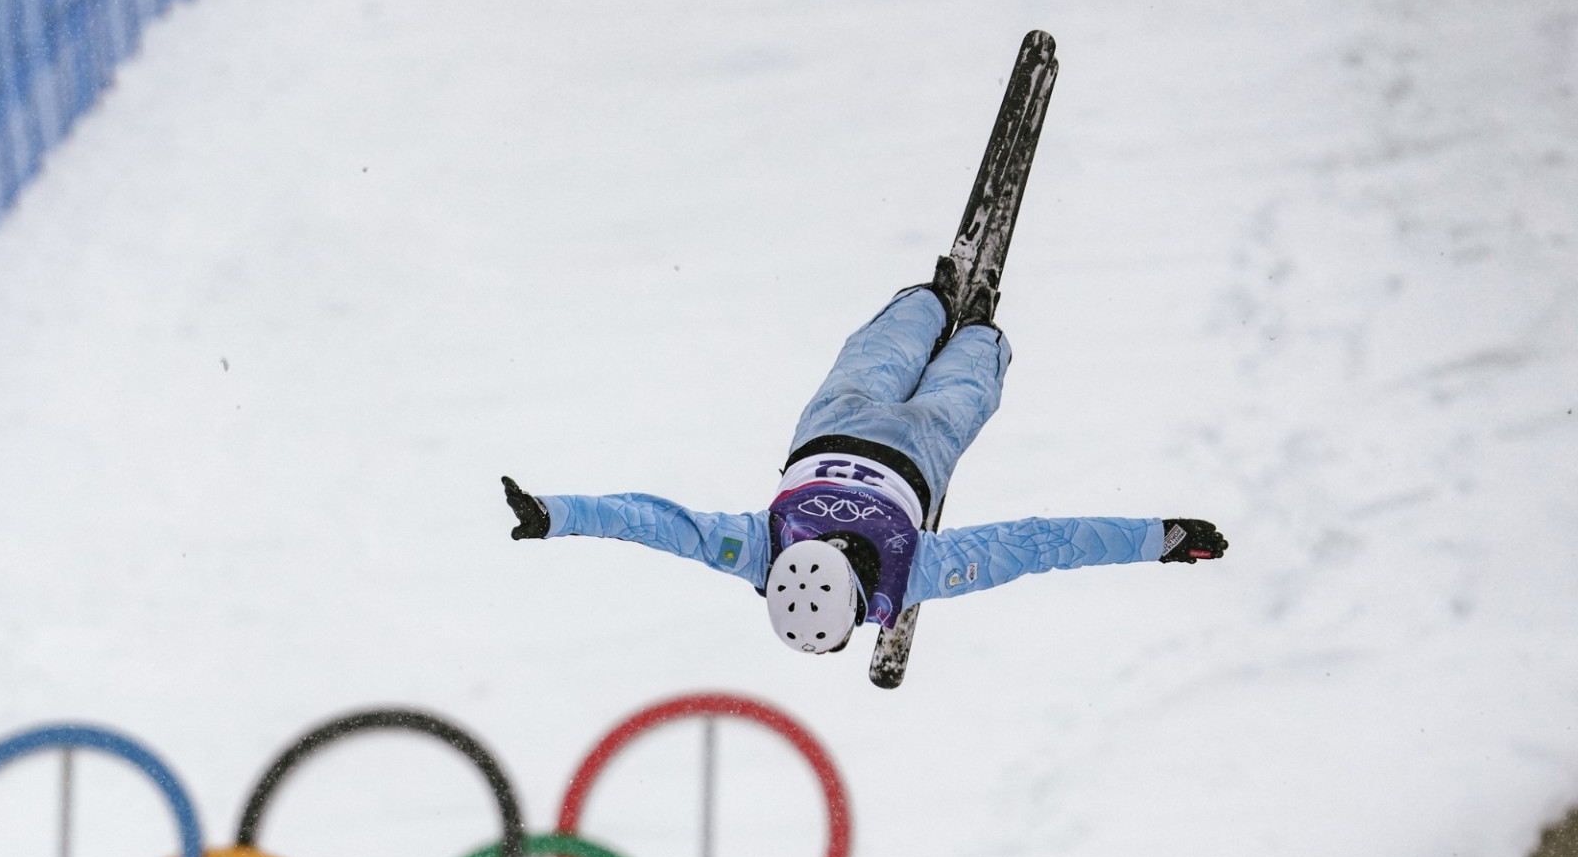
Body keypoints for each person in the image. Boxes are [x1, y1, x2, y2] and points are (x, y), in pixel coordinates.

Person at [501, 268, 1226, 656]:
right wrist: (557, 514)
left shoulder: (914, 569)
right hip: (839, 421)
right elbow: (660, 524)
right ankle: (929, 302)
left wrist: (1159, 538)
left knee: (967, 382)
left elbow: (1035, 546)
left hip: (920, 444)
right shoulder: (756, 548)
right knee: (885, 351)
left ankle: (977, 334)